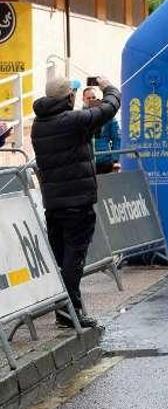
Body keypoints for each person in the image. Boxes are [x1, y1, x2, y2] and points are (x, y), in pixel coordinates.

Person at [31, 76, 119, 328]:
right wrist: (108, 87)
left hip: (54, 204)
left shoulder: (39, 123)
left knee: (62, 259)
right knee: (74, 259)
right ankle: (71, 311)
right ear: (69, 97)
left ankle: (65, 310)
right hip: (77, 203)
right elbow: (110, 108)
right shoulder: (71, 120)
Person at [84, 87, 121, 174]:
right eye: (88, 98)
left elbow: (117, 138)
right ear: (83, 99)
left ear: (98, 99)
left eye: (93, 97)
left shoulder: (108, 116)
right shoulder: (79, 117)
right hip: (86, 163)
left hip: (105, 162)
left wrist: (115, 160)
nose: (91, 100)